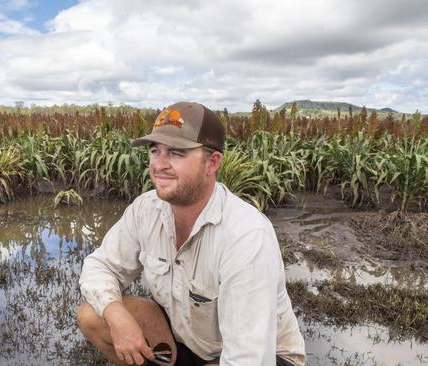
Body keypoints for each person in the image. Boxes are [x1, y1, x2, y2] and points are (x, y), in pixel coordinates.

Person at [77, 102, 306, 365]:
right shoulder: (146, 209)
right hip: (189, 340)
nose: (159, 164)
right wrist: (116, 315)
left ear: (212, 163)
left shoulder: (246, 236)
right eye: (155, 150)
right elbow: (100, 265)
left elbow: (249, 357)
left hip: (264, 357)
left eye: (176, 153)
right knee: (92, 317)